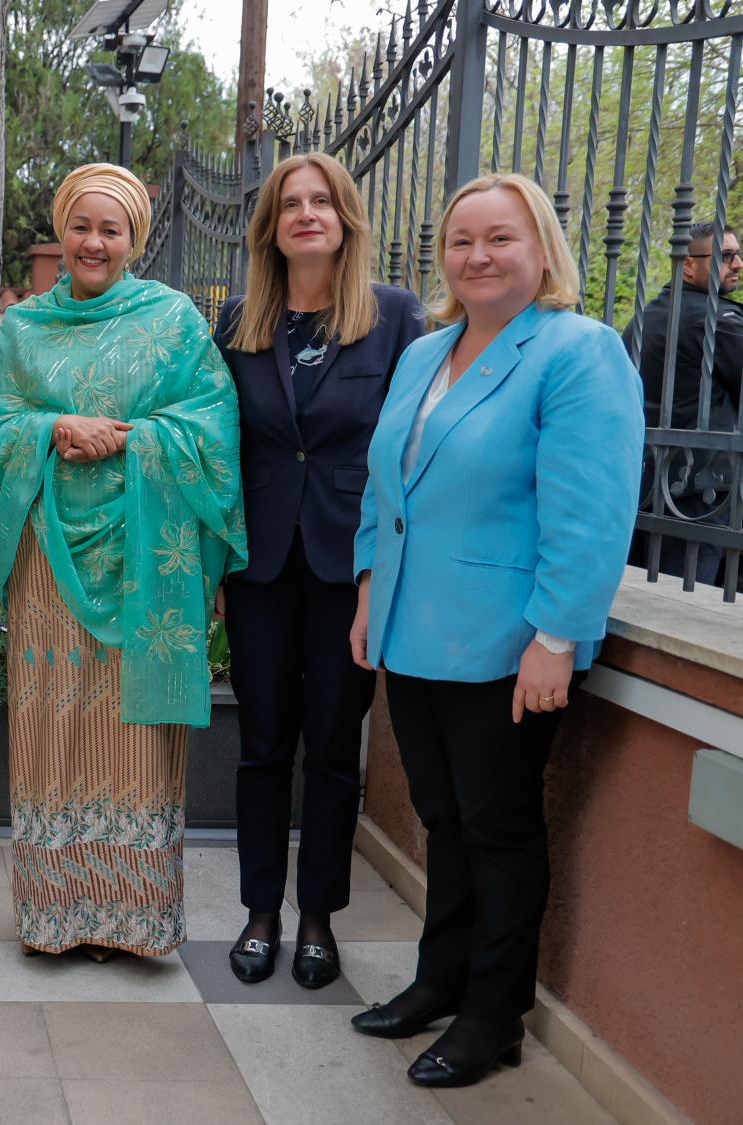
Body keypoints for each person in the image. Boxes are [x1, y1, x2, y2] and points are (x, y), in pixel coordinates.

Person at [348, 174, 643, 1087]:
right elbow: (383, 488)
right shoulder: (424, 353)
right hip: (411, 627)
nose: (478, 256)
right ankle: (440, 976)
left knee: (498, 826)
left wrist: (557, 635)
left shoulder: (577, 352)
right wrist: (367, 591)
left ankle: (493, 1015)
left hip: (507, 645)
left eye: (500, 238)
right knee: (444, 819)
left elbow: (591, 511)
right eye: (461, 240)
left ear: (542, 248)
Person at [0, 163, 248, 960]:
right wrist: (52, 429)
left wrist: (133, 439)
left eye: (111, 229)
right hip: (48, 555)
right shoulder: (22, 329)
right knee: (53, 728)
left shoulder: (172, 321)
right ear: (62, 232)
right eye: (81, 226)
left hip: (145, 560)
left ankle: (132, 919)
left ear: (134, 241)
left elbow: (213, 426)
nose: (94, 242)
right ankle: (58, 918)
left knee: (135, 736)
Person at [214, 153, 426, 989]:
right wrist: (219, 569)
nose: (306, 214)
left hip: (350, 566)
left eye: (321, 202)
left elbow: (407, 449)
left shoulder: (396, 316)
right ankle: (260, 910)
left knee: (335, 748)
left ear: (345, 219)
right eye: (289, 203)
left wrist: (384, 571)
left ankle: (316, 917)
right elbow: (221, 447)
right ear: (270, 225)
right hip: (261, 567)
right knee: (263, 744)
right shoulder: (239, 319)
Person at [621, 219, 742, 586]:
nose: (736, 264)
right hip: (703, 490)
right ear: (688, 265)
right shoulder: (713, 317)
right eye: (725, 256)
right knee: (693, 598)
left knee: (649, 589)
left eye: (737, 255)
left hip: (648, 483)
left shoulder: (645, 318)